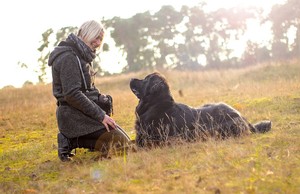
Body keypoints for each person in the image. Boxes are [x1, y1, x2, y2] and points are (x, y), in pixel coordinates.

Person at [48, 20, 131, 162]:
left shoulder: (82, 55)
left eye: (101, 39)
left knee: (126, 143)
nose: (98, 43)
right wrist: (101, 116)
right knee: (121, 145)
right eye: (96, 37)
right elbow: (72, 94)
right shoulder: (69, 57)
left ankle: (84, 140)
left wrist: (100, 98)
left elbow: (87, 88)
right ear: (85, 33)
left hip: (83, 113)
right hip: (73, 116)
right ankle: (70, 140)